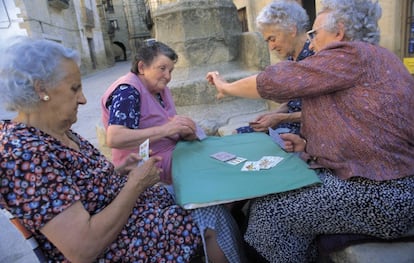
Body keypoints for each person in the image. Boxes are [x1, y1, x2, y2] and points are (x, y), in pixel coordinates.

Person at [0, 36, 241, 263]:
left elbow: (80, 188)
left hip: (134, 213)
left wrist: (119, 171)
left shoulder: (56, 131)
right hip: (119, 246)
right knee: (210, 214)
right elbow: (83, 248)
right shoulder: (24, 153)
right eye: (75, 88)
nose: (83, 99)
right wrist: (136, 184)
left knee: (206, 198)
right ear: (41, 89)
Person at [206, 0, 414, 261]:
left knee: (269, 212)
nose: (312, 43)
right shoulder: (376, 57)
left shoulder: (351, 54)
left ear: (339, 31)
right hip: (387, 188)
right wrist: (308, 146)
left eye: (315, 34)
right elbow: (368, 128)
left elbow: (278, 81)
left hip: (384, 195)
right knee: (272, 199)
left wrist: (225, 87)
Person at [101, 39, 197, 185]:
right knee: (203, 167)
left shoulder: (159, 90)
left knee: (209, 154)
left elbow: (166, 122)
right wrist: (166, 130)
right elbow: (115, 138)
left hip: (170, 152)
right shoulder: (127, 91)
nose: (168, 76)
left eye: (170, 71)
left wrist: (185, 132)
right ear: (142, 67)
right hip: (145, 164)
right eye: (162, 68)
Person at [235, 0, 314, 135]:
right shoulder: (291, 58)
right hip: (287, 123)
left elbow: (323, 112)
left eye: (273, 39)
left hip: (307, 131)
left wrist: (280, 118)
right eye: (268, 41)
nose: (271, 47)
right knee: (237, 134)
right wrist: (271, 115)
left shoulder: (314, 58)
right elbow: (293, 104)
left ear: (292, 30)